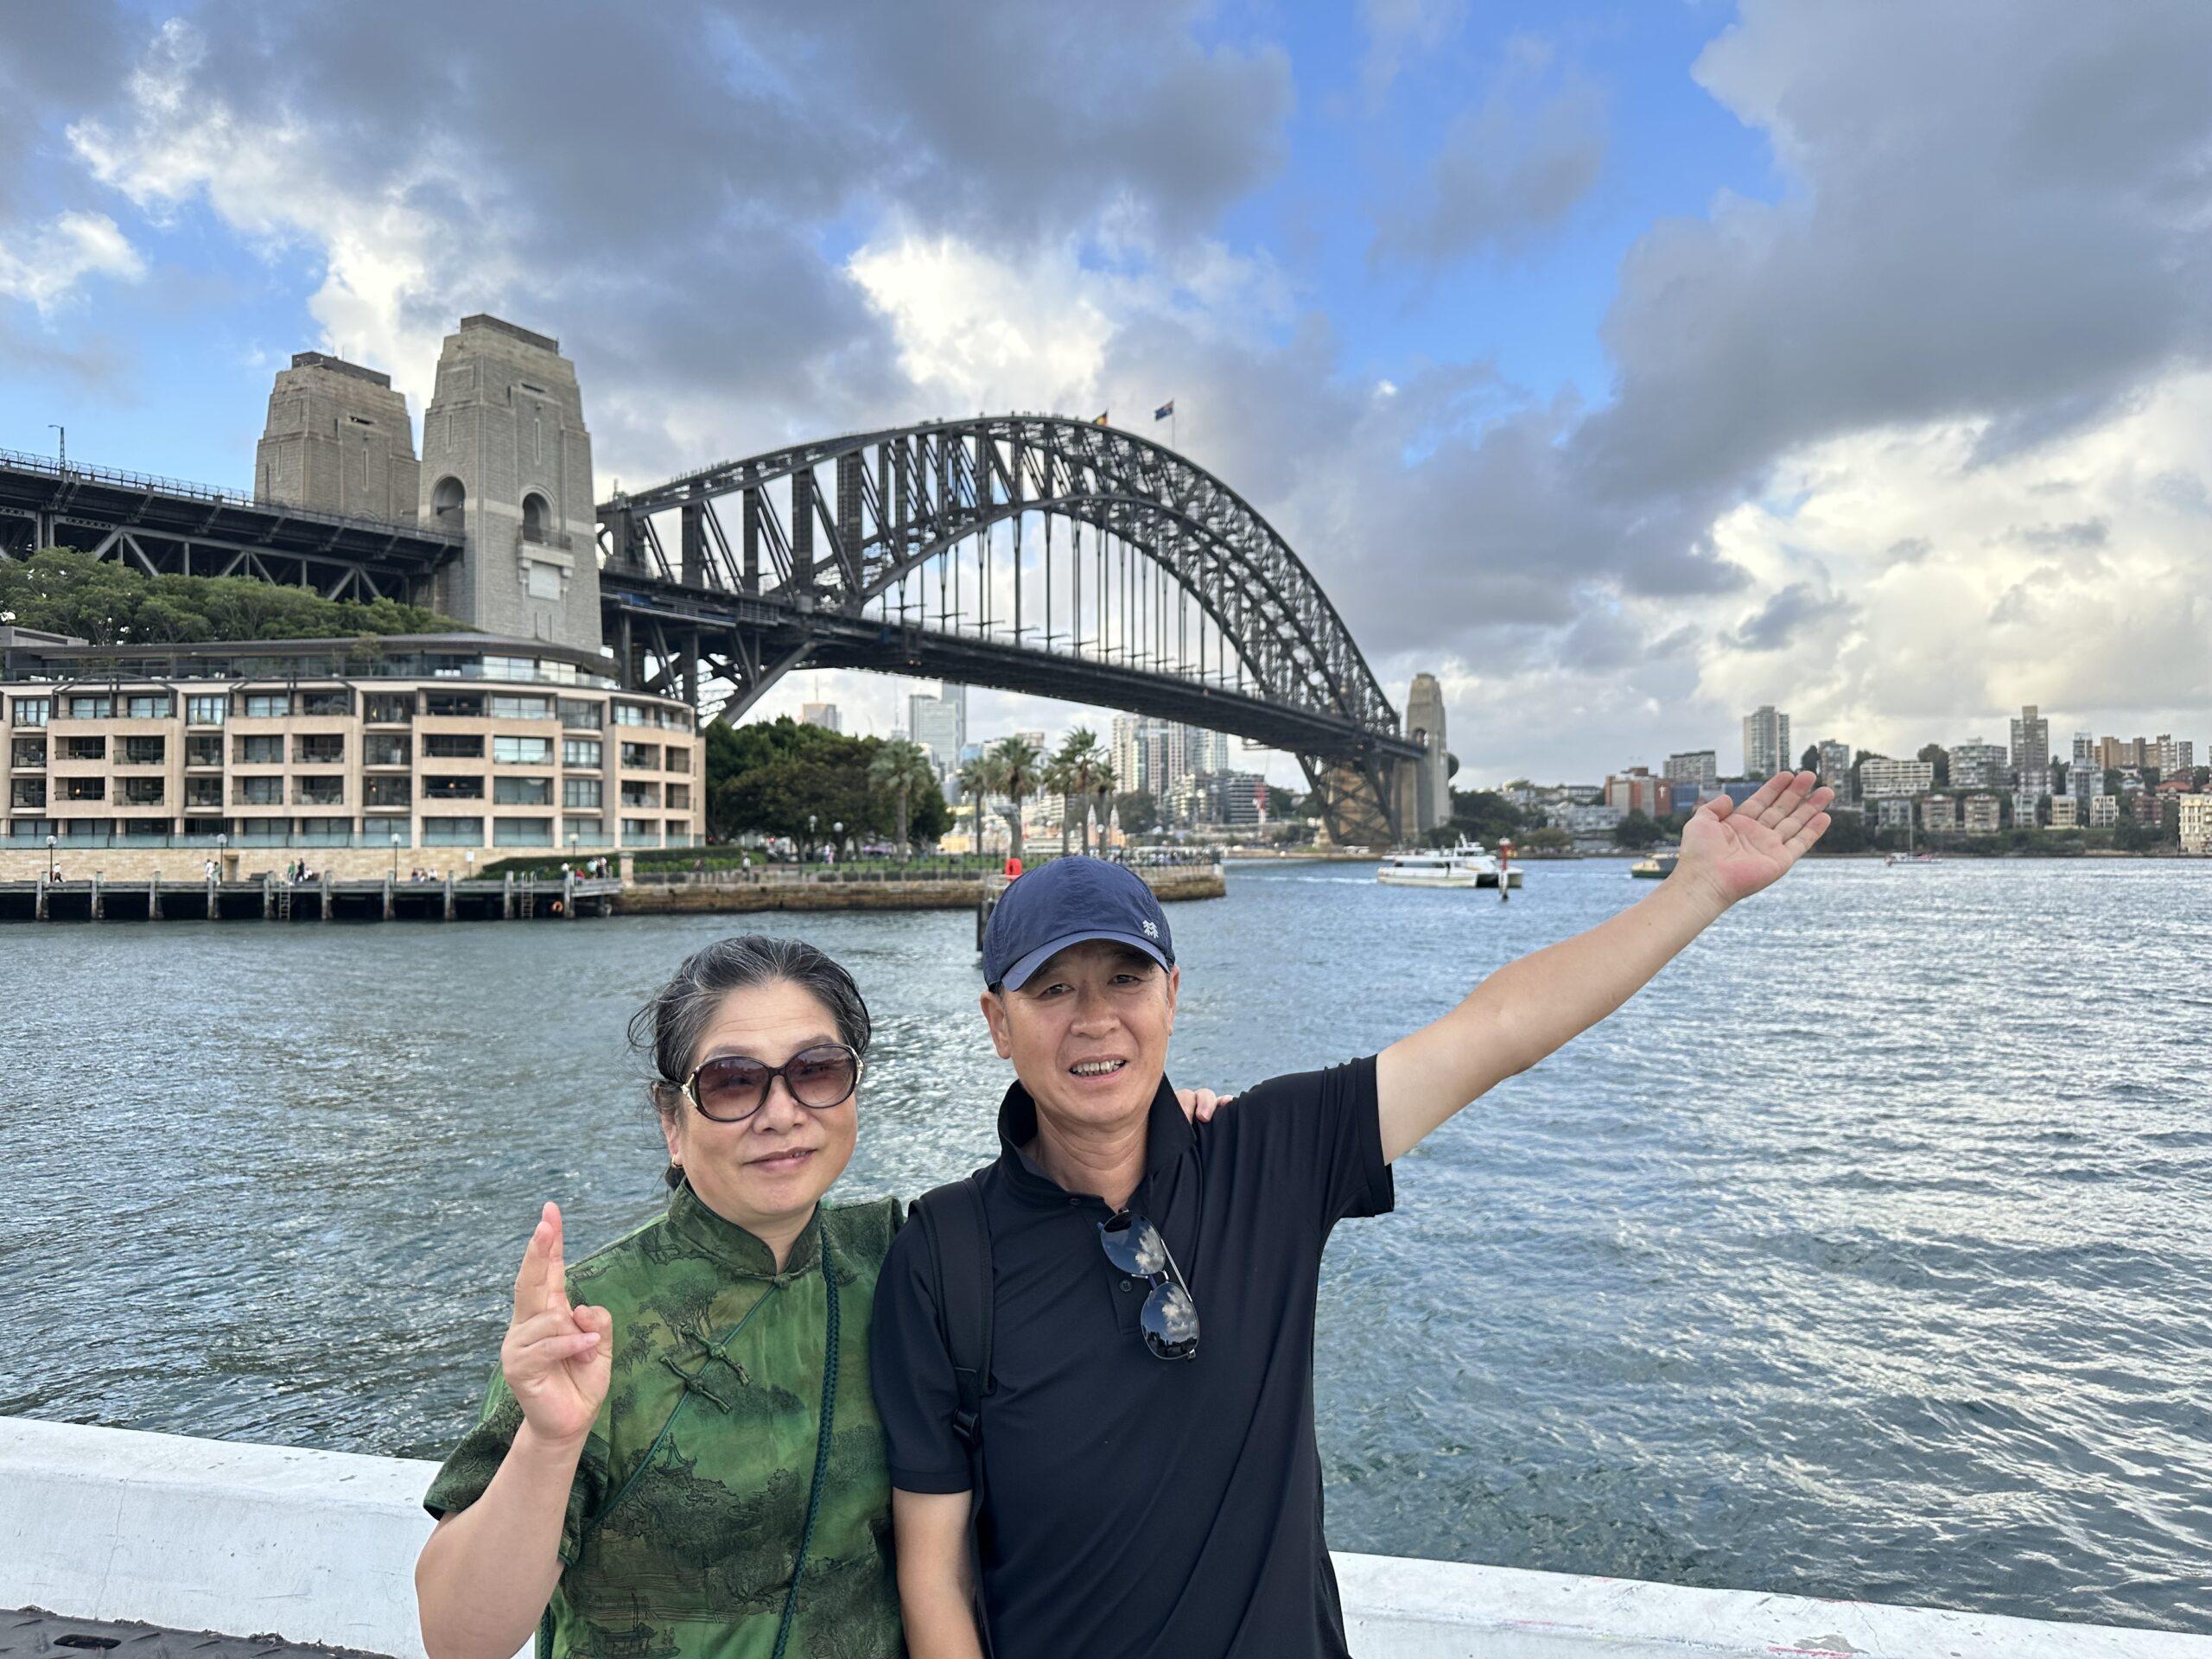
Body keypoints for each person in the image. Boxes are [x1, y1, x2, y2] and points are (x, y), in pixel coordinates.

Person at [873, 771, 1835, 1658]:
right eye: (1052, 989)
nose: (1094, 1019)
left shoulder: (1269, 1156)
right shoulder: (944, 1251)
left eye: (1124, 979)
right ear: (998, 1024)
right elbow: (936, 1570)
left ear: (1172, 996)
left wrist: (1695, 891)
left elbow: (1493, 1033)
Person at [415, 935, 1231, 1659]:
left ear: (852, 1090)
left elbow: (1058, 1220)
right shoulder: (594, 1317)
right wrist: (549, 1447)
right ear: (672, 1117)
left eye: (816, 1072)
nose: (782, 1114)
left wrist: (1146, 1124)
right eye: (734, 1083)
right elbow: (459, 1638)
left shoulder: (908, 1261)